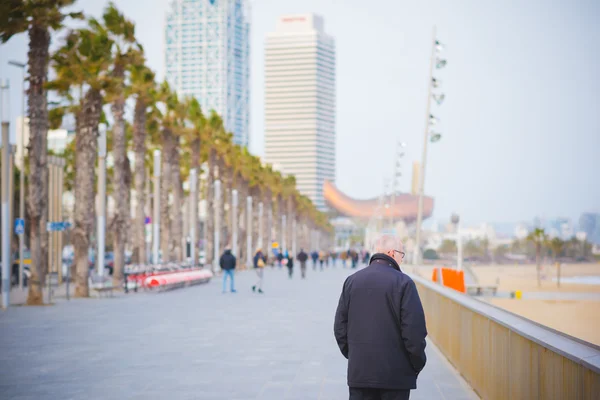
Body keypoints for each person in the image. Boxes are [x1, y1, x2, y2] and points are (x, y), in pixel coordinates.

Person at [334, 235, 427, 400]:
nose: (402, 260)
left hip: (360, 374)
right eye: (402, 254)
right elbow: (414, 332)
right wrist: (416, 363)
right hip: (396, 377)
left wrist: (355, 354)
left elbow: (339, 326)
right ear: (392, 253)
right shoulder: (404, 283)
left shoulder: (352, 281)